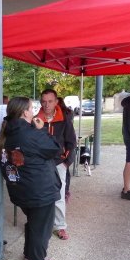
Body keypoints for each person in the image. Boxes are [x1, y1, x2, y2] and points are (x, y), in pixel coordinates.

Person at [0, 97, 61, 260]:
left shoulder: (6, 133)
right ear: (25, 112)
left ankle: (29, 255)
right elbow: (55, 149)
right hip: (39, 190)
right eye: (32, 108)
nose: (34, 111)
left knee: (33, 223)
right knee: (42, 228)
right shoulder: (30, 134)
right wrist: (43, 129)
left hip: (21, 190)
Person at [35, 89, 76, 240]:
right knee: (40, 194)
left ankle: (60, 226)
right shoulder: (35, 120)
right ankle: (40, 223)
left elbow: (71, 142)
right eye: (44, 101)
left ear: (56, 102)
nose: (46, 105)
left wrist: (66, 162)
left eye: (50, 101)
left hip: (59, 163)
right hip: (41, 164)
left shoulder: (64, 120)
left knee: (59, 194)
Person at [58, 97, 74, 202]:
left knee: (65, 175)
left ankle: (65, 192)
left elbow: (71, 142)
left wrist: (66, 160)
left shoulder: (66, 116)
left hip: (63, 157)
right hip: (57, 158)